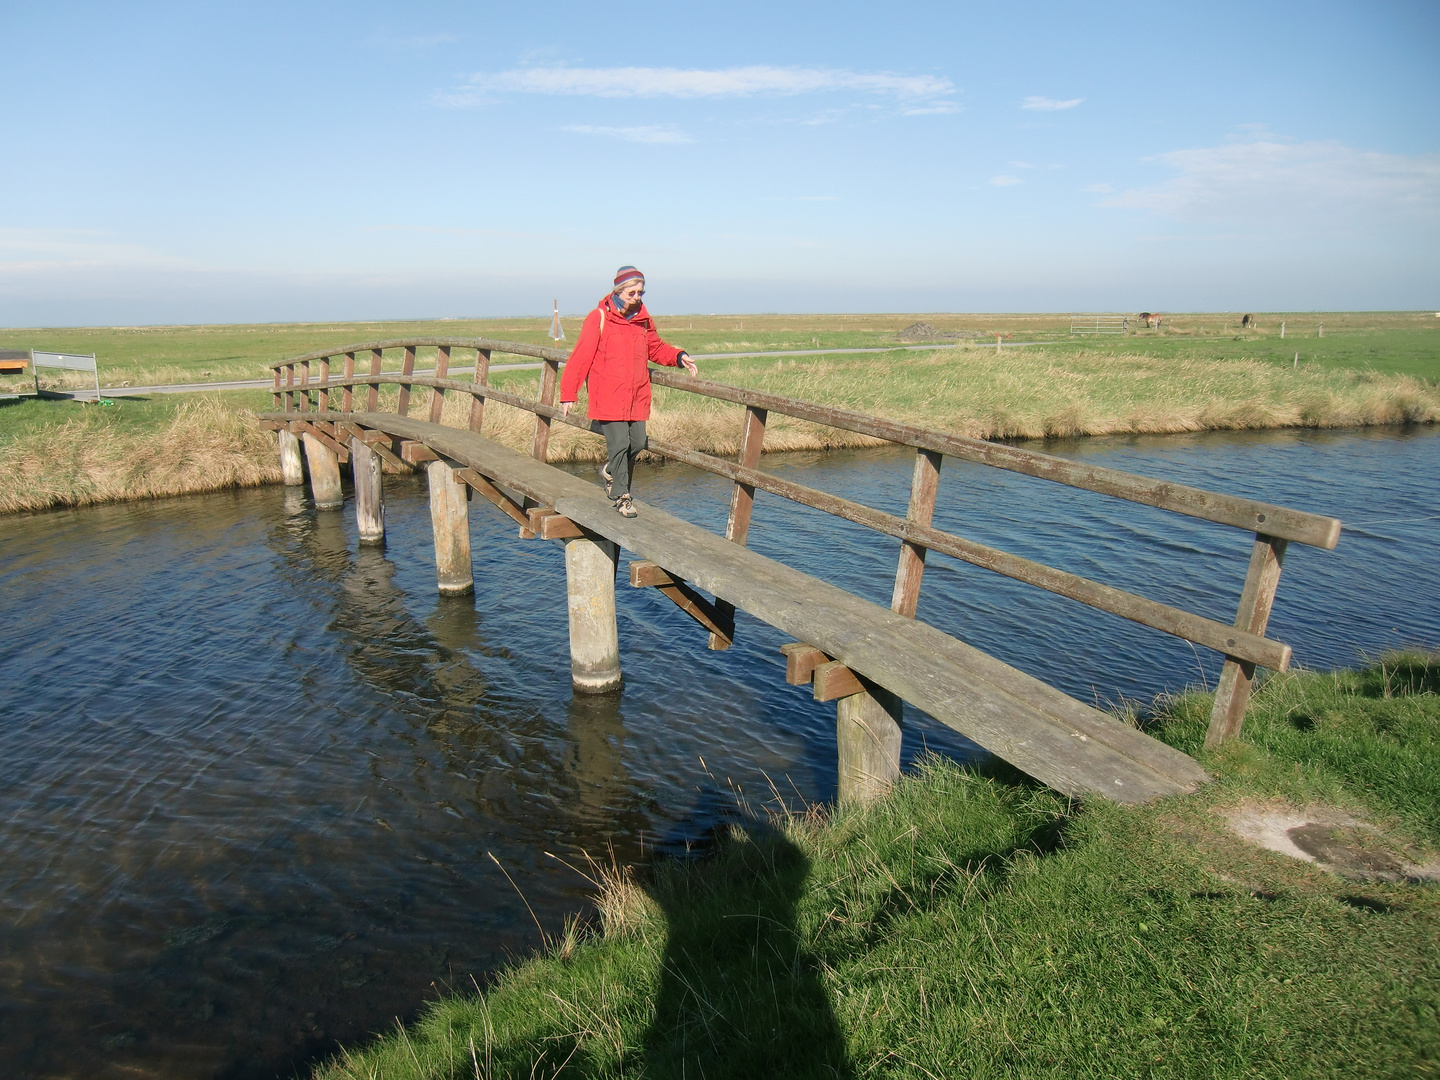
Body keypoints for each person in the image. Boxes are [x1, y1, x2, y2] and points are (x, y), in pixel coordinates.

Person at [559, 266, 698, 517]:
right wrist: (569, 393)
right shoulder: (599, 317)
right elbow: (581, 356)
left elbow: (655, 348)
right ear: (618, 291)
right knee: (620, 444)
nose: (637, 297)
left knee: (637, 442)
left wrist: (679, 356)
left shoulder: (643, 320)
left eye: (640, 293)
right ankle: (622, 496)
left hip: (636, 395)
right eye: (632, 293)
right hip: (608, 394)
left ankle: (611, 472)